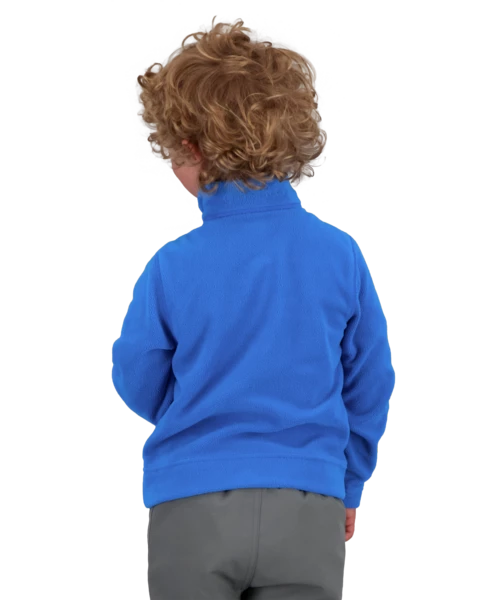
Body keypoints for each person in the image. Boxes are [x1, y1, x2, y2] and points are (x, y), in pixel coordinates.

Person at [112, 16, 395, 600]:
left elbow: (135, 372)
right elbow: (369, 381)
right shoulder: (339, 255)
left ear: (191, 149)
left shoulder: (172, 265)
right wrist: (347, 480)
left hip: (192, 500)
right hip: (308, 503)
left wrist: (192, 406)